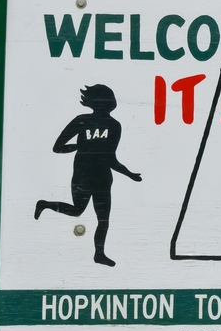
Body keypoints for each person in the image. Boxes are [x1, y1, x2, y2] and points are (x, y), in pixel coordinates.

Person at [34, 84, 141, 267]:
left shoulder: (114, 125)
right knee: (77, 211)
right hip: (83, 175)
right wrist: (80, 147)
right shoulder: (82, 121)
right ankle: (45, 204)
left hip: (102, 178)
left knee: (103, 219)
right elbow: (57, 147)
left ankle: (99, 254)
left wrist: (129, 174)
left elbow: (110, 158)